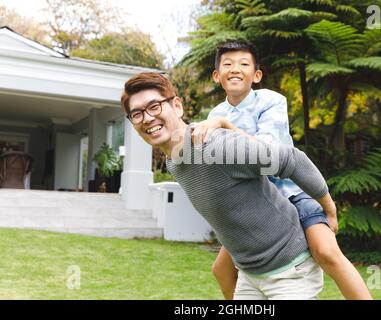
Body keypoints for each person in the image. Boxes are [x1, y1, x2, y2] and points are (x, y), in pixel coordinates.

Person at [121, 72, 336, 299]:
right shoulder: (174, 160)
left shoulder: (215, 145)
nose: (146, 118)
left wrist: (328, 209)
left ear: (177, 106)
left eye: (154, 106)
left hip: (290, 271)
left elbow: (292, 160)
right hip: (249, 274)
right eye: (137, 113)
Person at [190, 41, 372, 300]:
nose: (235, 69)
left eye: (244, 64)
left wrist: (224, 125)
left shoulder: (270, 101)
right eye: (227, 64)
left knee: (327, 252)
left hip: (293, 195)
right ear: (217, 75)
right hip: (257, 207)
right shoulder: (216, 113)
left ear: (256, 75)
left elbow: (268, 152)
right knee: (221, 269)